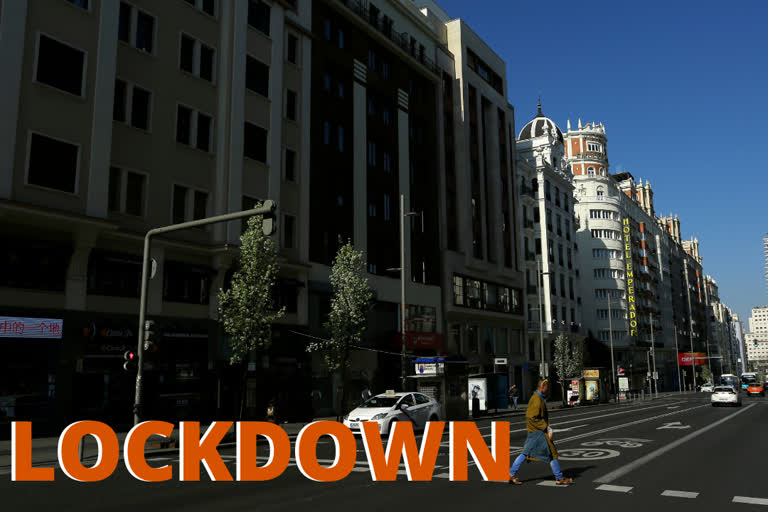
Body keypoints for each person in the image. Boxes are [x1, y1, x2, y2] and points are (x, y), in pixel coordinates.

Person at [509, 378, 572, 486]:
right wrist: (547, 428)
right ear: (542, 387)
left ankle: (511, 474)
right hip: (538, 432)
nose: (548, 388)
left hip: (537, 431)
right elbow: (531, 417)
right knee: (550, 453)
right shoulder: (537, 399)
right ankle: (559, 478)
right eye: (546, 386)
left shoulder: (538, 397)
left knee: (528, 453)